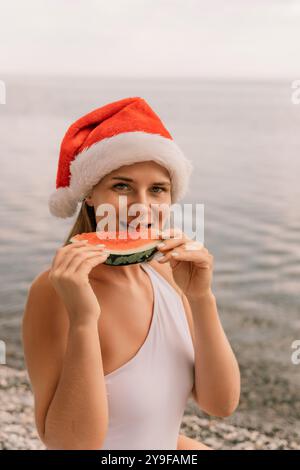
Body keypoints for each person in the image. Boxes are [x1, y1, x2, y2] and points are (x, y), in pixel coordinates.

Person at [22, 97, 240, 450]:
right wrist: (83, 320)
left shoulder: (168, 275)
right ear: (91, 195)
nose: (141, 206)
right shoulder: (53, 290)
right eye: (121, 186)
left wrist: (202, 298)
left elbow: (221, 404)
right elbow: (69, 446)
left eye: (157, 189)